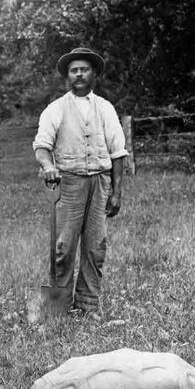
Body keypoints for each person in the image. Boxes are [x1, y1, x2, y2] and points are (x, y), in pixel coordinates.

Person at [33, 47, 127, 320]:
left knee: (96, 246)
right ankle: (58, 307)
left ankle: (88, 306)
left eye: (84, 69)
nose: (79, 74)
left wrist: (116, 193)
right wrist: (49, 166)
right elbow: (42, 146)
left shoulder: (106, 108)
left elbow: (118, 153)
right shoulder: (56, 109)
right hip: (69, 183)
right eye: (74, 70)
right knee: (63, 247)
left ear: (93, 74)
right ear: (67, 76)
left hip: (100, 183)